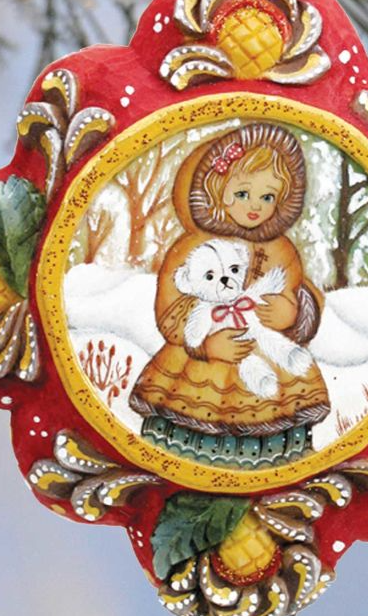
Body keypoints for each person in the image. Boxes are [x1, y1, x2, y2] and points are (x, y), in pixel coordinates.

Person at [129, 123, 330, 469]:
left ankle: (270, 477)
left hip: (267, 361)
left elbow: (291, 292)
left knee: (274, 436)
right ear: (217, 190)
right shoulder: (191, 246)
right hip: (197, 369)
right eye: (242, 194)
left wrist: (286, 312)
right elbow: (171, 310)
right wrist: (205, 343)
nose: (255, 207)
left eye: (268, 197)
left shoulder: (281, 249)